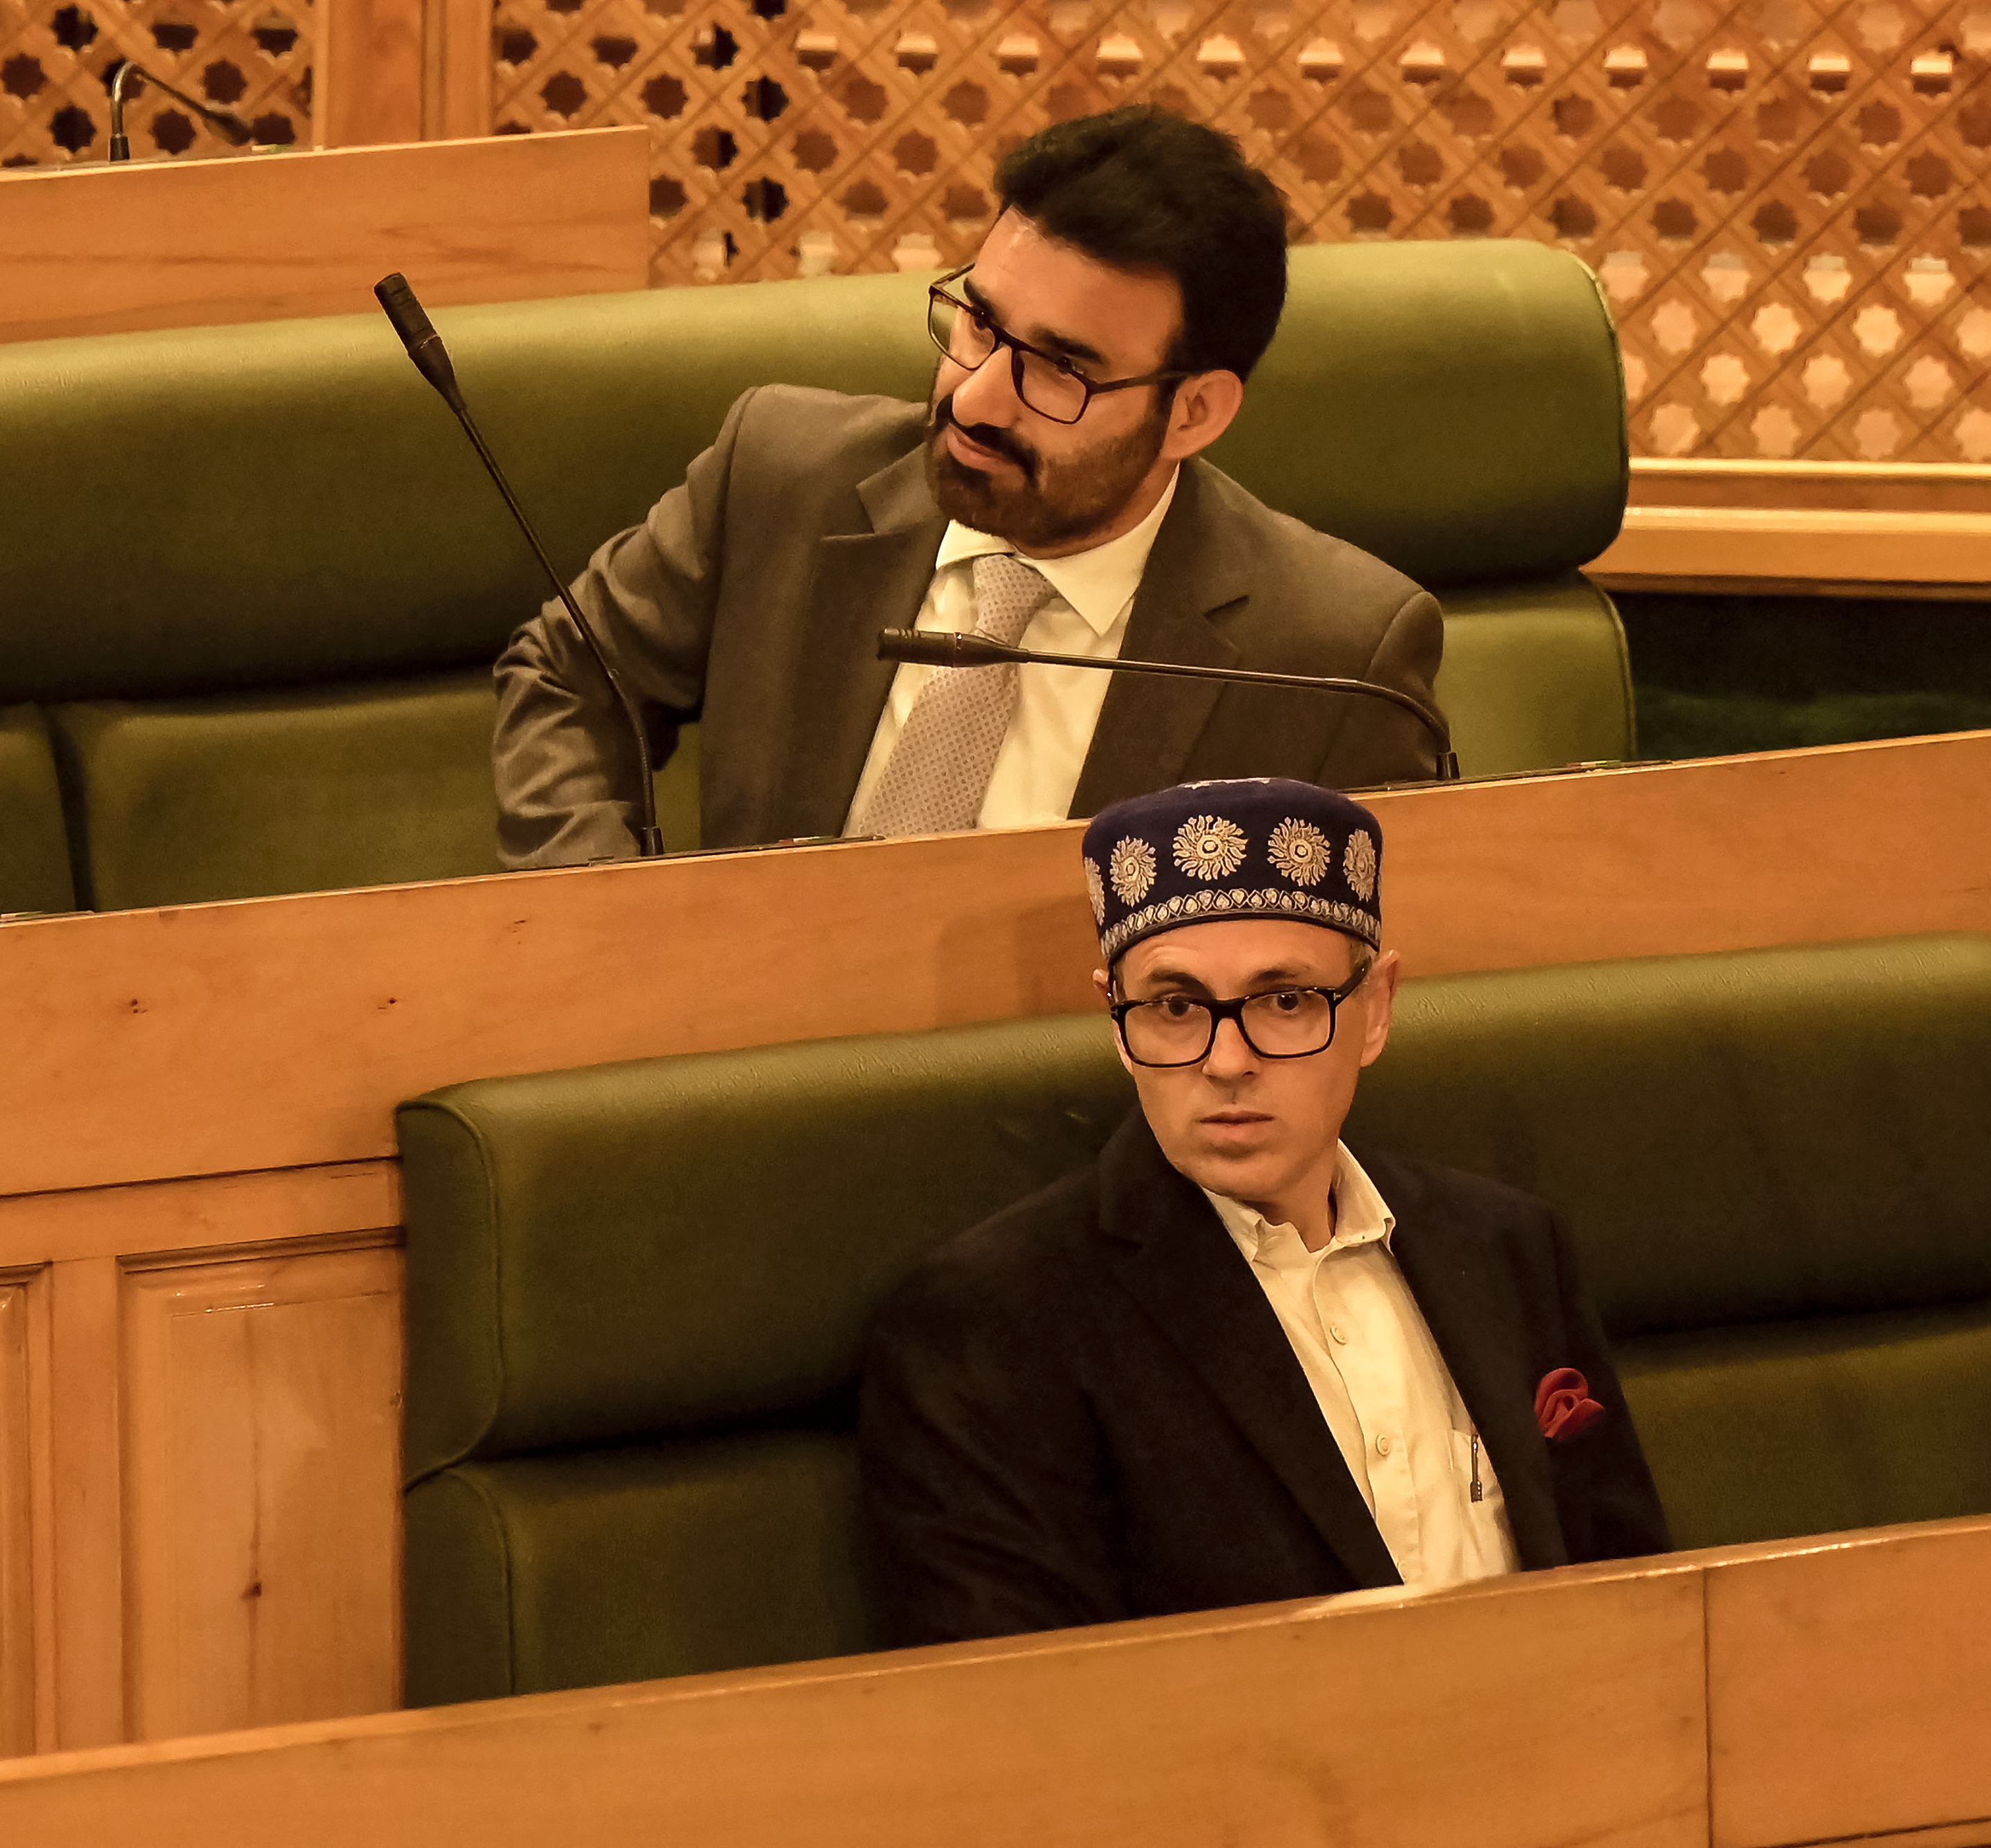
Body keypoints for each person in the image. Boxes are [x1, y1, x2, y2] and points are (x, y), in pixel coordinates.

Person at [493, 107, 1445, 869]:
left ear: (1193, 413)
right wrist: (610, 919)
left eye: (1062, 368)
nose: (979, 398)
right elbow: (571, 671)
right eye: (980, 324)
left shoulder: (1332, 656)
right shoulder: (785, 476)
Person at [857, 778, 1668, 1644]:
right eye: (1176, 1009)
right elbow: (1024, 1704)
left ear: (1375, 1010)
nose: (1228, 1060)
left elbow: (1635, 1588)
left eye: (1285, 1002)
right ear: (1115, 1020)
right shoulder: (994, 1319)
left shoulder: (1507, 1244)